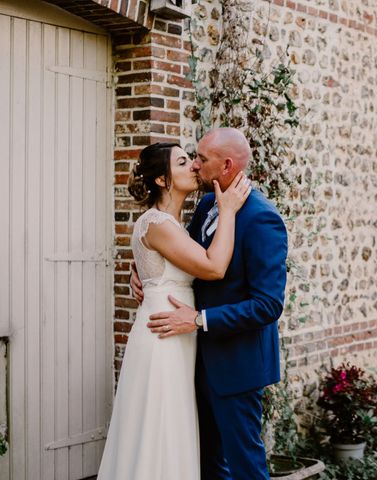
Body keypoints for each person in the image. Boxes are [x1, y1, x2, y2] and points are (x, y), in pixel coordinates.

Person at [131, 128, 288, 480]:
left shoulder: (262, 218)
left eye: (201, 158)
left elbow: (267, 305)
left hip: (236, 365)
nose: (196, 164)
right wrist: (142, 271)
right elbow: (180, 255)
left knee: (246, 466)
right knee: (207, 464)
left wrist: (200, 320)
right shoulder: (205, 204)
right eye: (192, 158)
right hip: (192, 360)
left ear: (227, 164)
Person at [97, 142, 251, 480]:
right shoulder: (160, 224)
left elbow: (163, 267)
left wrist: (139, 273)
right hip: (162, 339)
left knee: (168, 428)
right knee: (159, 429)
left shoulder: (177, 224)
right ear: (162, 181)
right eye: (183, 162)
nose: (194, 167)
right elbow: (213, 267)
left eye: (193, 160)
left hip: (176, 336)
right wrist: (228, 212)